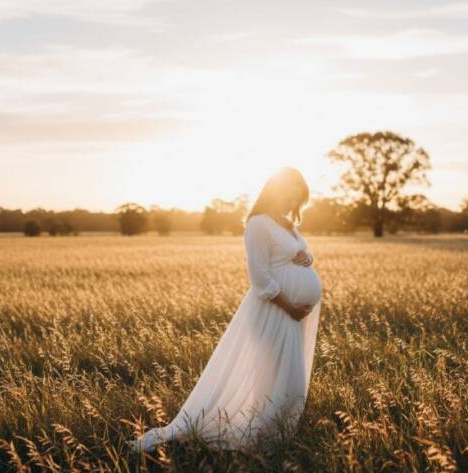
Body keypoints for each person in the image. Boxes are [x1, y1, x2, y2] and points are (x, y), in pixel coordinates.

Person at [128, 167, 323, 452]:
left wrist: (307, 256)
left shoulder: (286, 223)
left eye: (298, 196)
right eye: (289, 192)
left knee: (288, 381)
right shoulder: (258, 223)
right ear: (274, 190)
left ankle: (271, 438)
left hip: (294, 314)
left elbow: (293, 252)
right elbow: (259, 277)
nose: (293, 200)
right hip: (274, 311)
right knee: (279, 380)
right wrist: (290, 306)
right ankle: (260, 441)